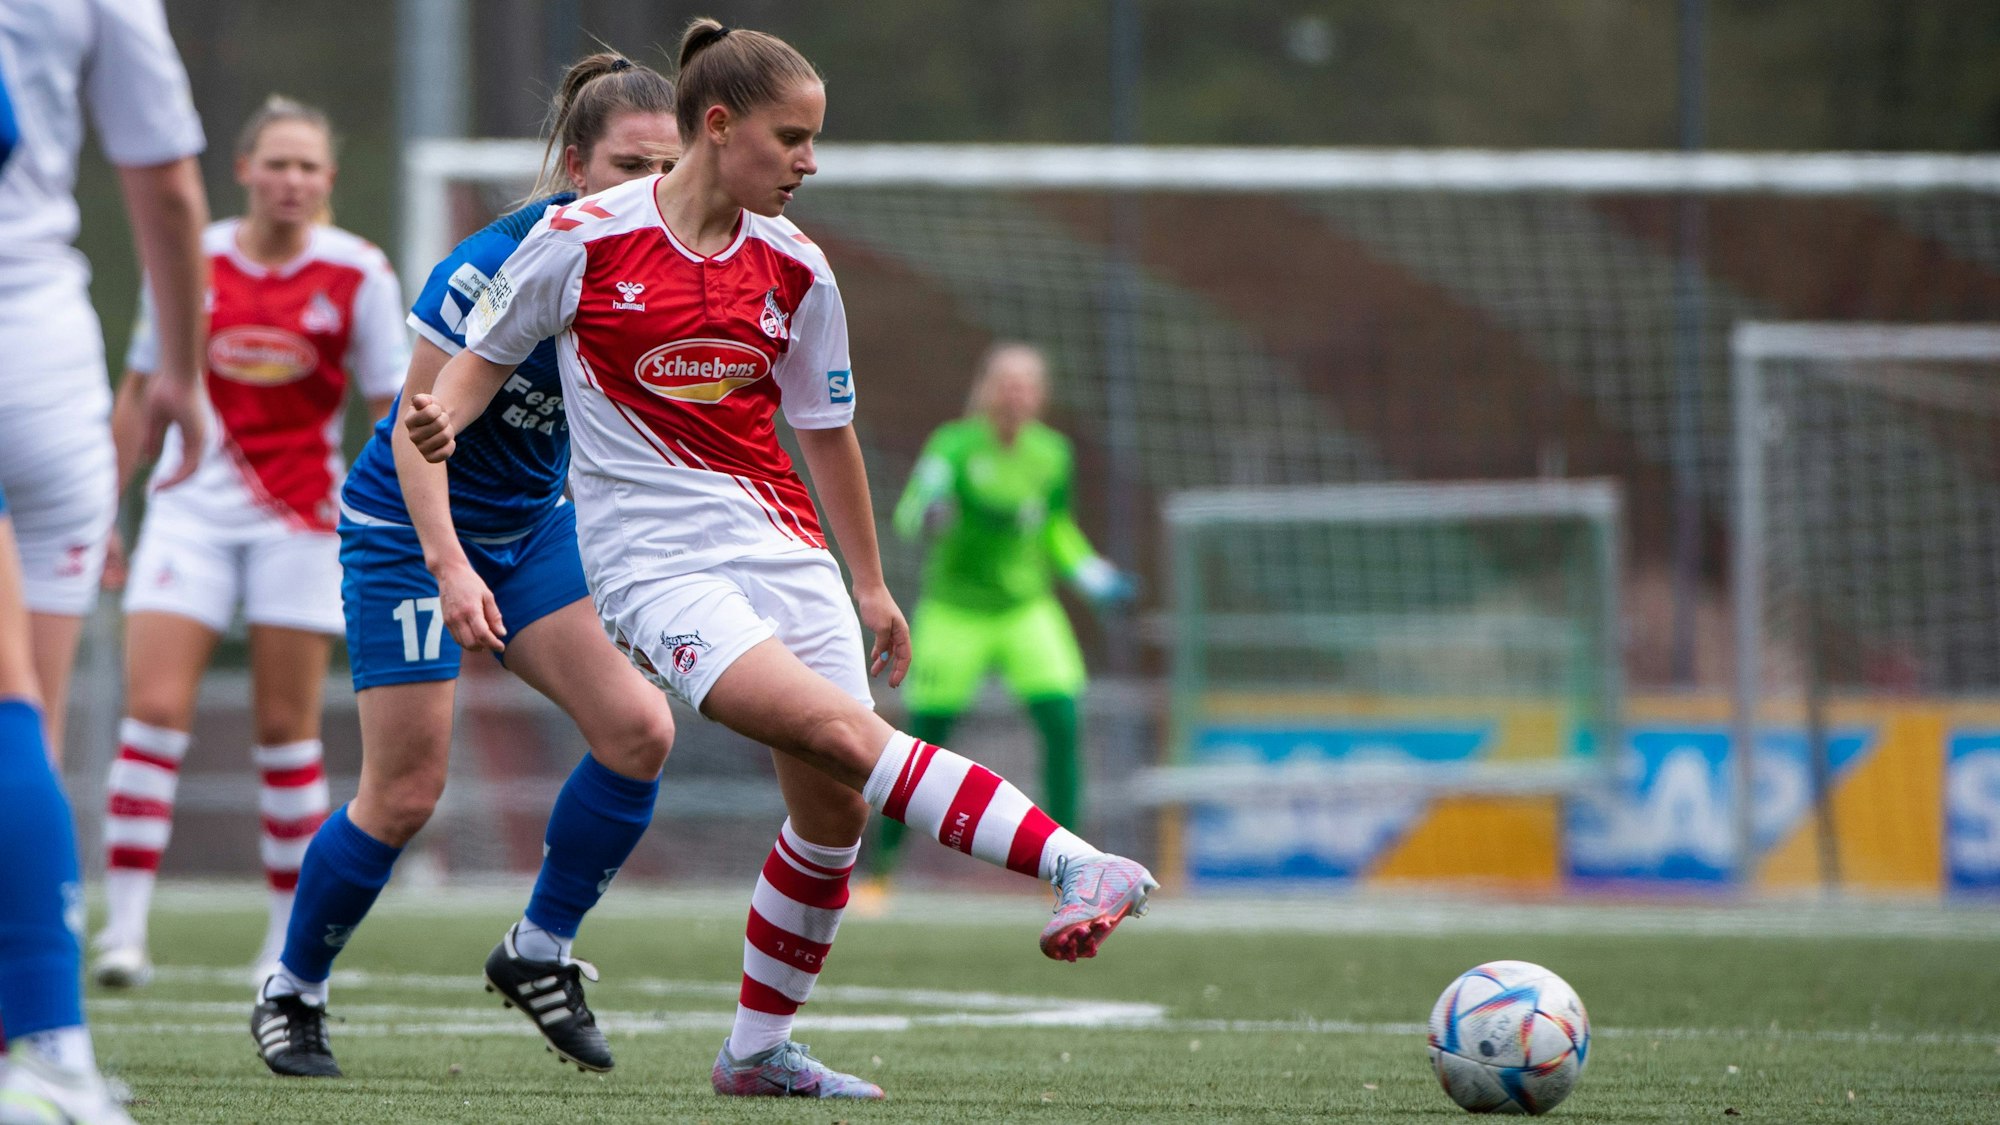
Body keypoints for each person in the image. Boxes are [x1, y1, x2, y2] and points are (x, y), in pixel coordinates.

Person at [408, 18, 1159, 1101]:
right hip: (653, 569)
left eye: (814, 139)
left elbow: (826, 432)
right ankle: (1074, 862)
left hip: (784, 547)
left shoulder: (797, 265)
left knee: (834, 809)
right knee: (840, 732)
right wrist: (441, 421)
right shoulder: (580, 239)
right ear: (719, 127)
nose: (810, 161)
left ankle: (756, 1052)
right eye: (792, 138)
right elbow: (473, 369)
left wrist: (868, 581)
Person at [249, 53, 682, 1082]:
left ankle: (539, 949)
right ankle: (291, 988)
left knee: (639, 731)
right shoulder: (495, 263)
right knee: (405, 793)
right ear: (575, 166)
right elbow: (417, 431)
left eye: (668, 169)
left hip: (531, 527)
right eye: (629, 166)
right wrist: (448, 566)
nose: (649, 189)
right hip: (412, 525)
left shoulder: (666, 269)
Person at [90, 96, 408, 993]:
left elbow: (390, 412)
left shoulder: (359, 272)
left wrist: (407, 525)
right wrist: (103, 512)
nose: (291, 180)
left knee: (285, 729)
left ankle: (282, 942)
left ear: (329, 179)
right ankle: (123, 933)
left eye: (308, 166)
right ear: (244, 171)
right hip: (187, 510)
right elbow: (140, 392)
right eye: (277, 163)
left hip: (301, 521)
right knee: (153, 712)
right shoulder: (192, 259)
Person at [0, 2, 209, 1122]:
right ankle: (33, 1050)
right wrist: (180, 366)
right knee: (18, 719)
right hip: (44, 359)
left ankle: (49, 1050)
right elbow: (168, 187)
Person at [864, 343, 1134, 892]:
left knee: (1062, 721)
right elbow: (912, 511)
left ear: (1041, 395)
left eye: (1026, 385)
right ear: (987, 389)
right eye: (1006, 383)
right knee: (925, 737)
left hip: (1025, 609)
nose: (1016, 394)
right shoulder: (954, 446)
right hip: (955, 610)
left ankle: (1070, 870)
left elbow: (1055, 529)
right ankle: (880, 869)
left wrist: (1094, 577)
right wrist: (931, 513)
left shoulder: (1052, 454)